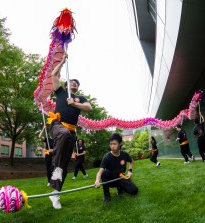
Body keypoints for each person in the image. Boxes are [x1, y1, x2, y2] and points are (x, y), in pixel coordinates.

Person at [48, 52, 93, 209]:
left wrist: (74, 104)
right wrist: (62, 61)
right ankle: (56, 167)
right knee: (65, 134)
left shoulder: (80, 98)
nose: (74, 83)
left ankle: (55, 194)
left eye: (76, 83)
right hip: (57, 126)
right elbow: (53, 75)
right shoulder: (60, 92)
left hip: (71, 132)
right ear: (67, 85)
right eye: (71, 81)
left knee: (65, 164)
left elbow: (89, 108)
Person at [94, 133, 138, 202]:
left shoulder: (124, 154)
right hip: (111, 179)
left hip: (121, 176)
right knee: (104, 172)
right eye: (111, 144)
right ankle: (106, 194)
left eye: (114, 144)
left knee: (134, 190)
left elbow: (131, 161)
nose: (112, 146)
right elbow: (100, 172)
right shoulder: (107, 157)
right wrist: (97, 181)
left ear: (120, 144)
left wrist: (130, 171)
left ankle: (119, 187)